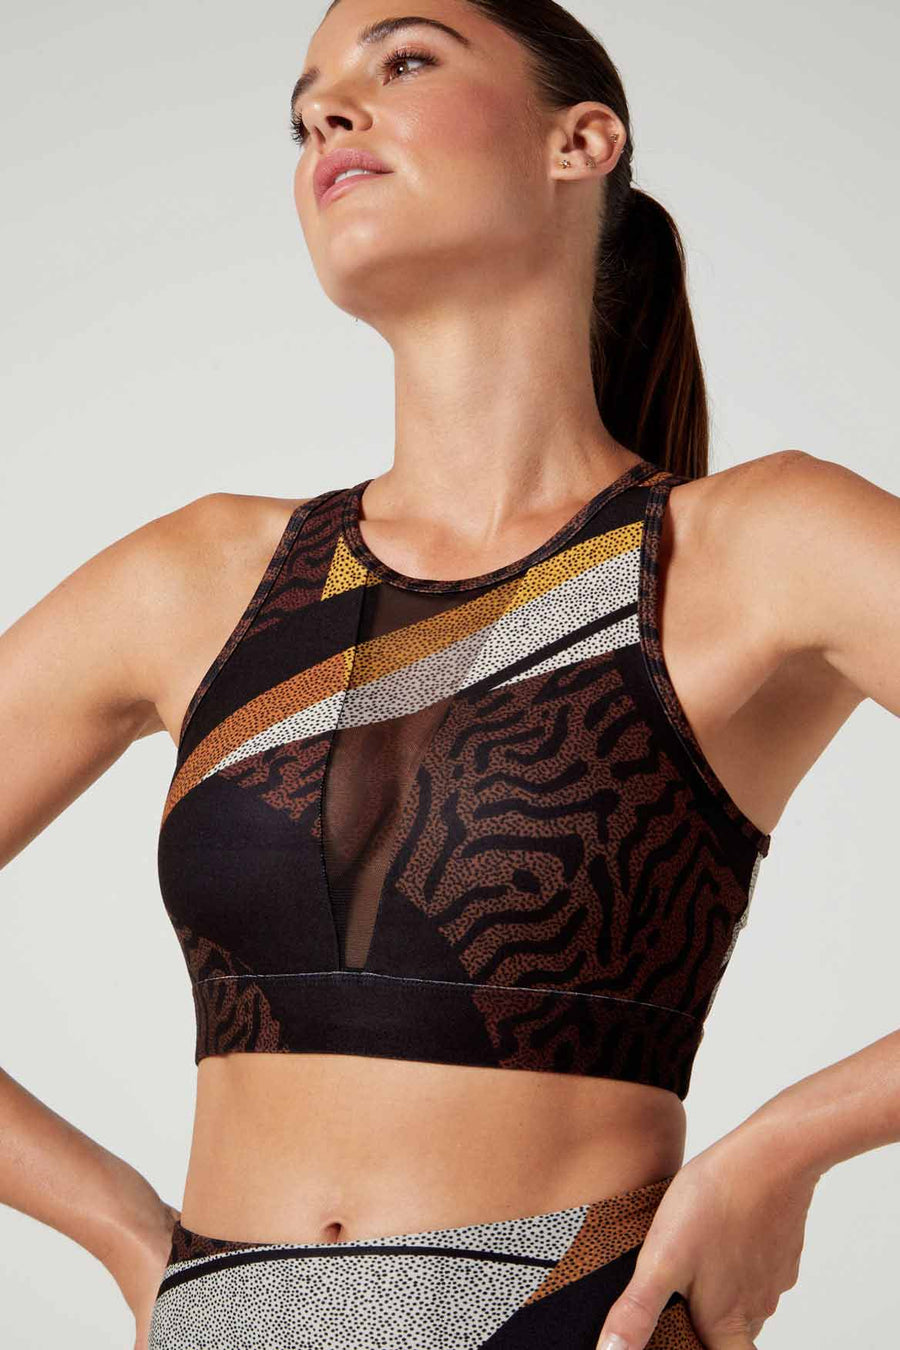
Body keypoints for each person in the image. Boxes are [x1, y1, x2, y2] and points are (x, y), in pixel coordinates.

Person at [2, 1, 898, 1347]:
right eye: (303, 107)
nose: (326, 114)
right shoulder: (199, 577)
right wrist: (129, 1236)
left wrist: (789, 1145)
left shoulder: (758, 549)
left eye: (405, 60)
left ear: (580, 142)